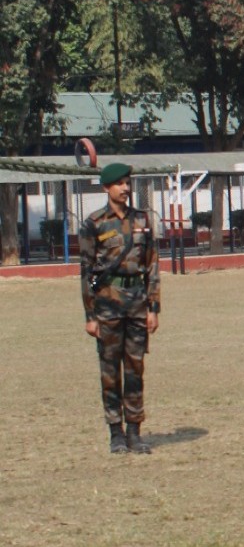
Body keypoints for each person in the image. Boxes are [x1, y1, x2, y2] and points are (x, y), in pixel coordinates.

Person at [79, 162, 161, 453]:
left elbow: (152, 266)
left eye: (128, 183)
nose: (126, 188)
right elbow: (86, 272)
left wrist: (154, 308)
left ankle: (135, 432)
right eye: (120, 184)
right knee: (110, 370)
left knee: (135, 369)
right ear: (106, 188)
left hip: (137, 303)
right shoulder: (94, 223)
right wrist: (90, 316)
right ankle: (116, 432)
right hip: (107, 306)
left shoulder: (142, 220)